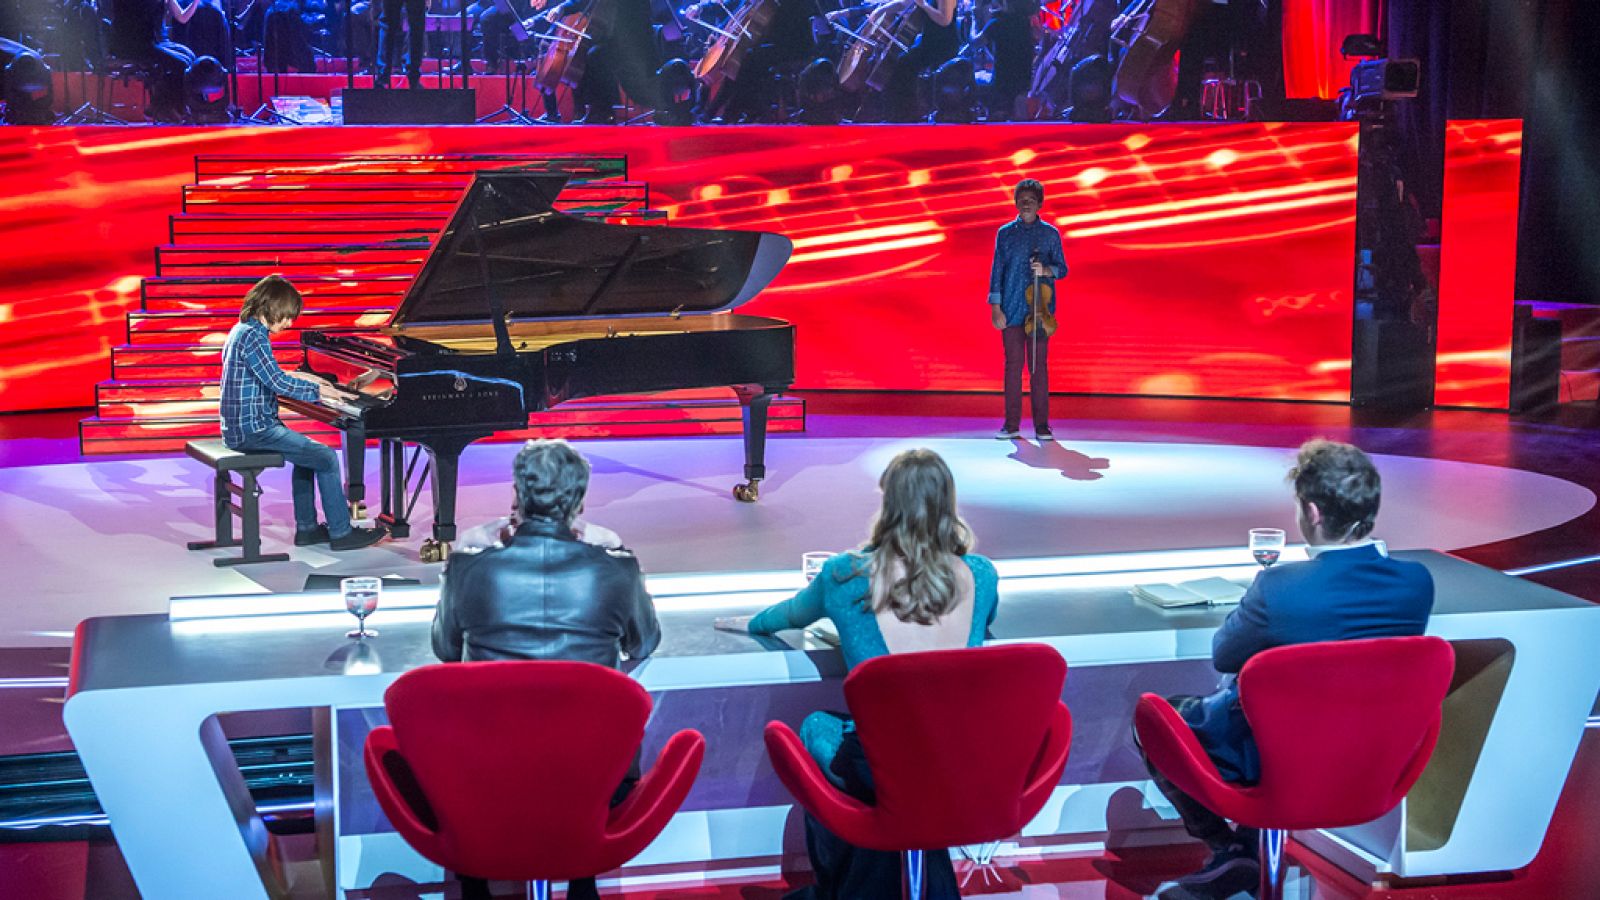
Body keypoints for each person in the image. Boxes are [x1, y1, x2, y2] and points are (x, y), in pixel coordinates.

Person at [1143, 439, 1433, 899]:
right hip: (1373, 760)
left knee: (1159, 719)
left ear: (1313, 513)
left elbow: (1224, 654)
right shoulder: (1417, 582)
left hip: (1282, 760)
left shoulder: (1281, 588)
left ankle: (1229, 849)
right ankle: (1248, 851)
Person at [715, 448, 1000, 899]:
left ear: (887, 502)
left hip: (883, 767)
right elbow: (980, 630)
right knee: (897, 782)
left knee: (818, 729)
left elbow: (786, 616)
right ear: (949, 503)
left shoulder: (845, 576)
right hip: (958, 765)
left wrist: (748, 622)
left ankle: (844, 890)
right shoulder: (981, 576)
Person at [432, 438, 659, 900]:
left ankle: (475, 882)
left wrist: (464, 557)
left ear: (517, 495)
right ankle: (581, 877)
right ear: (578, 502)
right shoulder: (615, 567)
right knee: (587, 761)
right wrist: (615, 554)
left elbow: (444, 649)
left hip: (485, 777)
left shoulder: (471, 567)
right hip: (594, 780)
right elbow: (645, 643)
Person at [219, 275, 386, 551]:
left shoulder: (243, 330)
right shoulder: (253, 337)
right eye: (286, 316)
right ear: (270, 306)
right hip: (253, 429)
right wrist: (322, 393)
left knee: (307, 457)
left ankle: (307, 530)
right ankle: (342, 533)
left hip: (241, 427)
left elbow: (269, 374)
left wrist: (317, 382)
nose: (289, 323)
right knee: (325, 457)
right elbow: (277, 382)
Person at [988, 177, 1066, 441]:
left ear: (1039, 204)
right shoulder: (1005, 233)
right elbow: (997, 269)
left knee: (1038, 369)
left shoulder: (1050, 234)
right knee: (1012, 367)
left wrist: (1045, 269)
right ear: (1016, 204)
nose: (1026, 205)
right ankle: (1011, 424)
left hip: (1040, 312)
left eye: (1031, 201)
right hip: (1010, 308)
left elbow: (1062, 269)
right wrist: (996, 306)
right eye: (1022, 201)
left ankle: (1042, 426)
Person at [107, 0, 202, 119]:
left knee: (190, 57)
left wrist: (195, 2)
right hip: (136, 44)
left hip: (158, 41)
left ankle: (165, 105)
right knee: (181, 63)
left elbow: (182, 17)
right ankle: (172, 109)